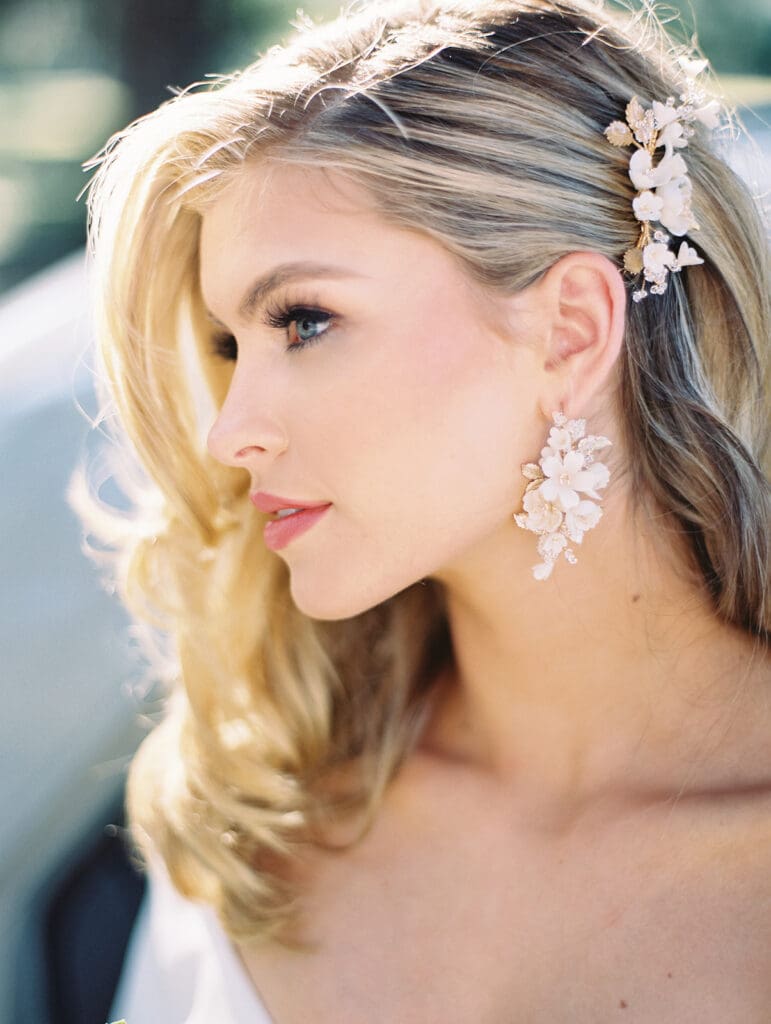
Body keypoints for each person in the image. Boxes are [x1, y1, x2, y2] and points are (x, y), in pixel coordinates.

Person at [78, 0, 770, 1020]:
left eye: (304, 321)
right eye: (231, 346)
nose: (231, 435)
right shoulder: (253, 824)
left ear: (572, 332)